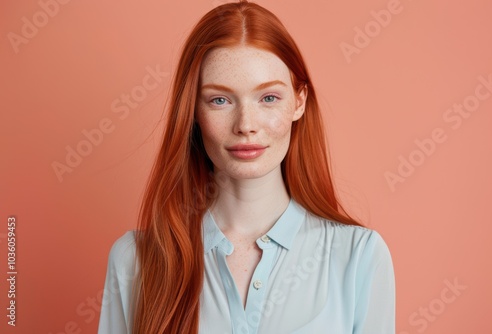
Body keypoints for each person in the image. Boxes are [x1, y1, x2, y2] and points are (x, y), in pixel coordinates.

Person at [97, 1, 395, 333]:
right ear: (193, 111)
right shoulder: (134, 261)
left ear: (299, 102)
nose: (246, 125)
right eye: (219, 100)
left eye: (268, 98)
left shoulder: (359, 256)